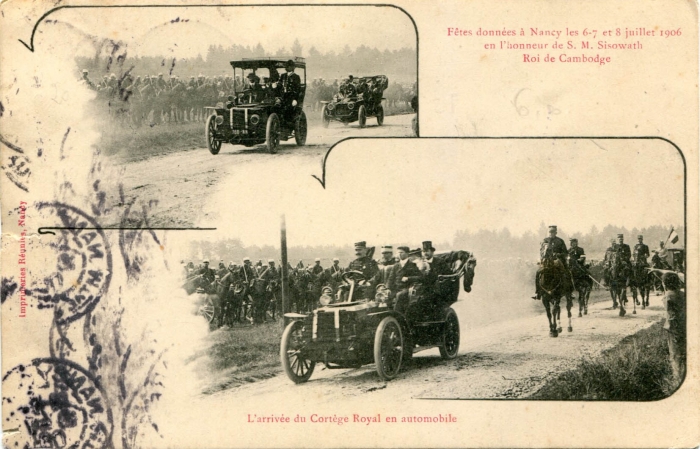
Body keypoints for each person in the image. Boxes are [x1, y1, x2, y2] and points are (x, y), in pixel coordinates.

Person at [661, 272, 686, 386]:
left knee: (675, 355)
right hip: (684, 327)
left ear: (665, 283)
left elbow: (671, 316)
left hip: (674, 329)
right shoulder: (682, 294)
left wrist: (668, 326)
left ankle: (677, 380)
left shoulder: (668, 297)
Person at [532, 225, 568, 299]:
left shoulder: (560, 241)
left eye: (553, 232)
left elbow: (565, 253)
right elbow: (541, 251)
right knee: (538, 273)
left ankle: (566, 291)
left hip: (557, 260)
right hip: (546, 261)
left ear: (556, 232)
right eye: (550, 232)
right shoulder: (544, 240)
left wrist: (558, 254)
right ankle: (538, 292)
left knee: (565, 272)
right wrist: (543, 255)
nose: (551, 233)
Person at [392, 246, 424, 315]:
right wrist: (387, 288)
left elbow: (420, 277)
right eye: (398, 253)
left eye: (401, 252)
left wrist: (409, 278)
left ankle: (396, 316)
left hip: (406, 288)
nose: (399, 254)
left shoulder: (412, 265)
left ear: (407, 254)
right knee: (384, 296)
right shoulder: (395, 266)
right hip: (396, 288)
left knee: (400, 295)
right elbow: (390, 279)